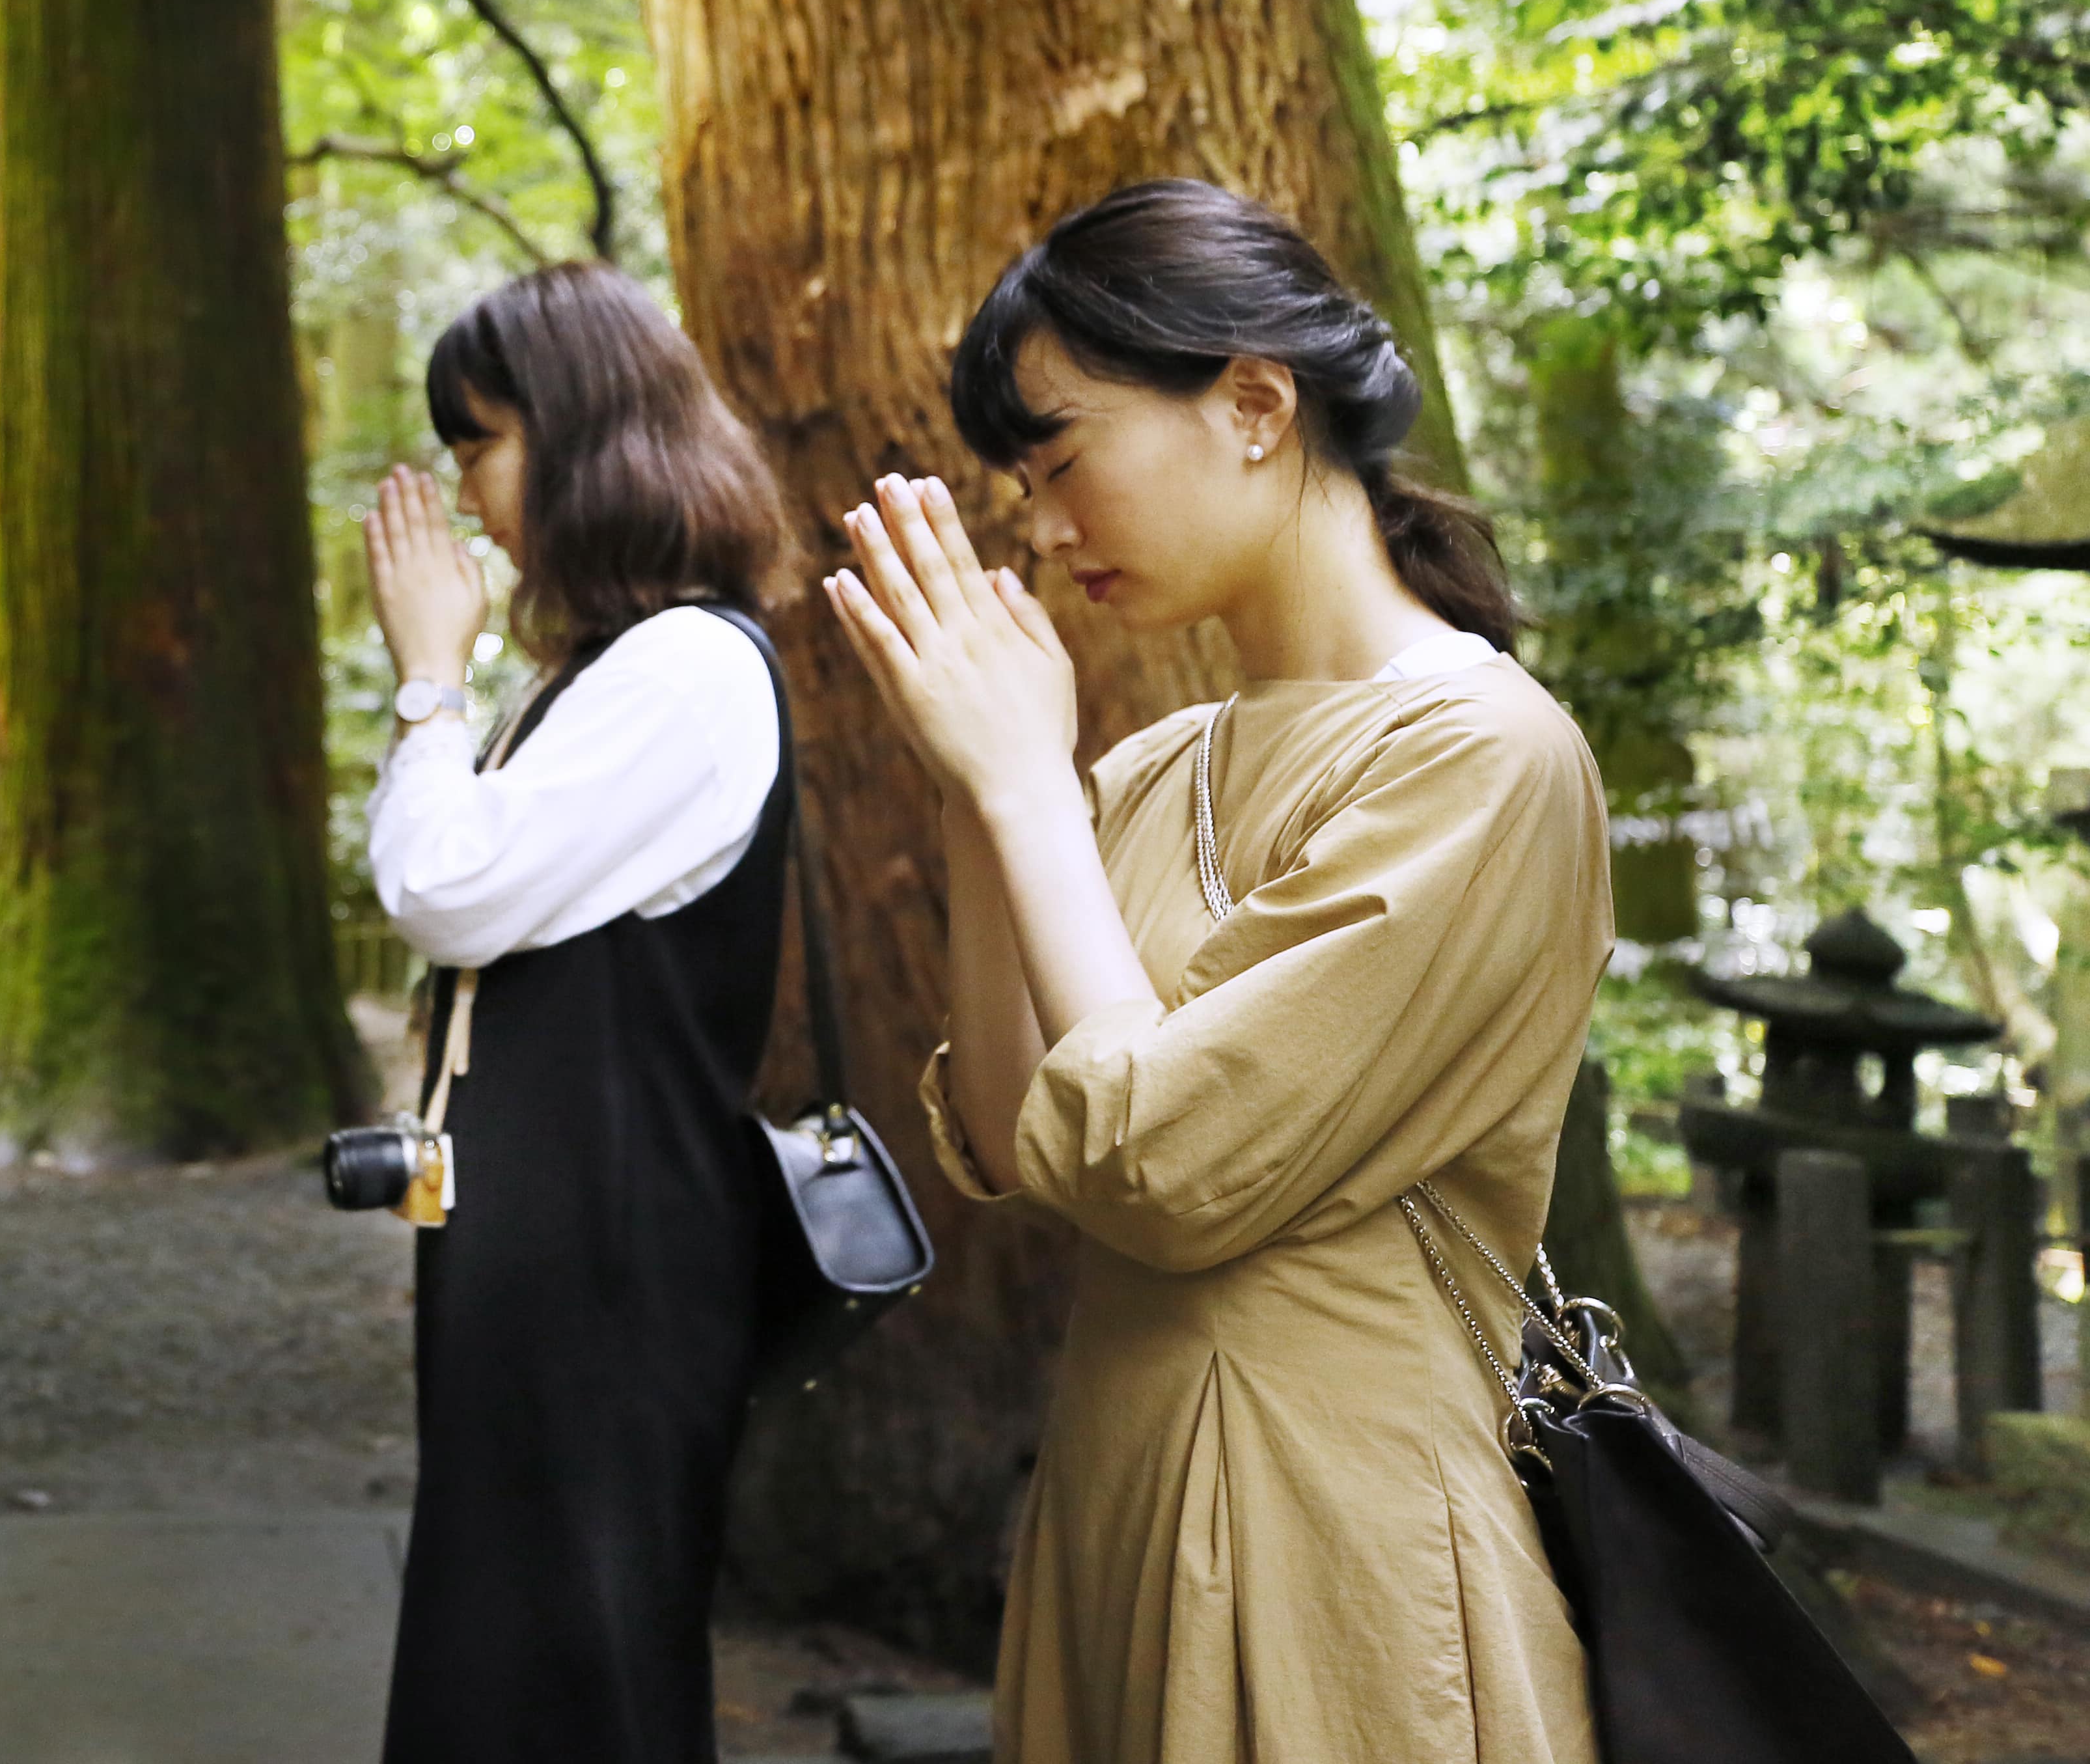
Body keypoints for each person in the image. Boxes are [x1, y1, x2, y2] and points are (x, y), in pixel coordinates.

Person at [823, 179, 1604, 1763]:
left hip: (1341, 1528)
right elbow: (1004, 1127)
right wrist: (986, 798)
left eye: (1060, 458)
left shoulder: (1485, 754)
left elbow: (1164, 1165)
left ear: (1254, 404)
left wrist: (1036, 791)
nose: (1041, 526)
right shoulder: (1166, 762)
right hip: (1120, 1481)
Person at [358, 259, 799, 1764]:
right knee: (515, 1646)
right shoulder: (614, 668)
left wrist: (430, 677)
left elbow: (443, 885)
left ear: (585, 435)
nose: (464, 489)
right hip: (555, 1254)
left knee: (574, 1659)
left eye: (479, 442)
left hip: (611, 1265)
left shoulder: (686, 669)